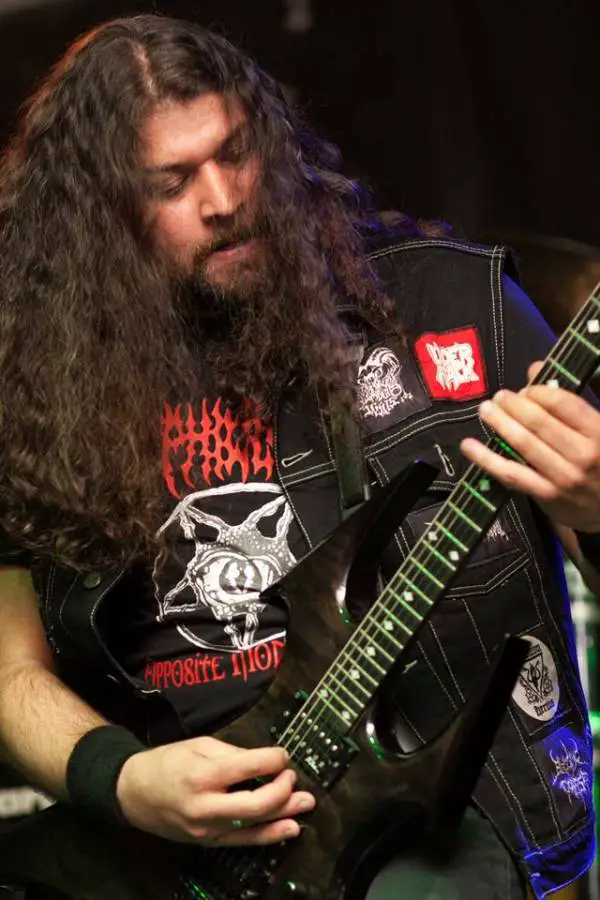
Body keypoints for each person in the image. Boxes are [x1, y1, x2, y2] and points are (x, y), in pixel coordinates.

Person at [0, 13, 598, 900]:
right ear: (102, 214)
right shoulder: (45, 390)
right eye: (172, 182)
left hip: (440, 832)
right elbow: (9, 669)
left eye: (236, 152)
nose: (223, 198)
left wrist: (597, 504)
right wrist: (123, 781)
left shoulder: (454, 304)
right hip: (170, 849)